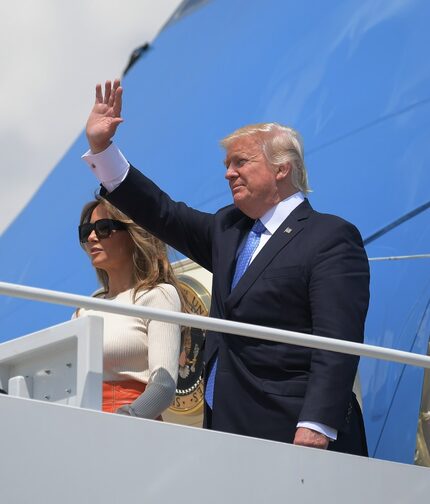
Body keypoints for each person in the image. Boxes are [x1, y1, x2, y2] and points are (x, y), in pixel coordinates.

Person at [81, 79, 370, 454]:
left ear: (282, 169)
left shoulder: (329, 237)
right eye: (226, 164)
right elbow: (161, 212)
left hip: (295, 428)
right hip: (227, 428)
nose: (228, 173)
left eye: (241, 162)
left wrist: (316, 423)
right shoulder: (228, 230)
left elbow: (337, 340)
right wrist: (103, 150)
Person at [76, 196, 183, 419]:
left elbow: (163, 385)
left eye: (103, 228)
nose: (92, 237)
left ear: (134, 235)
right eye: (86, 231)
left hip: (134, 428)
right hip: (83, 428)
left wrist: (126, 420)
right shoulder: (84, 310)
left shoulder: (157, 295)